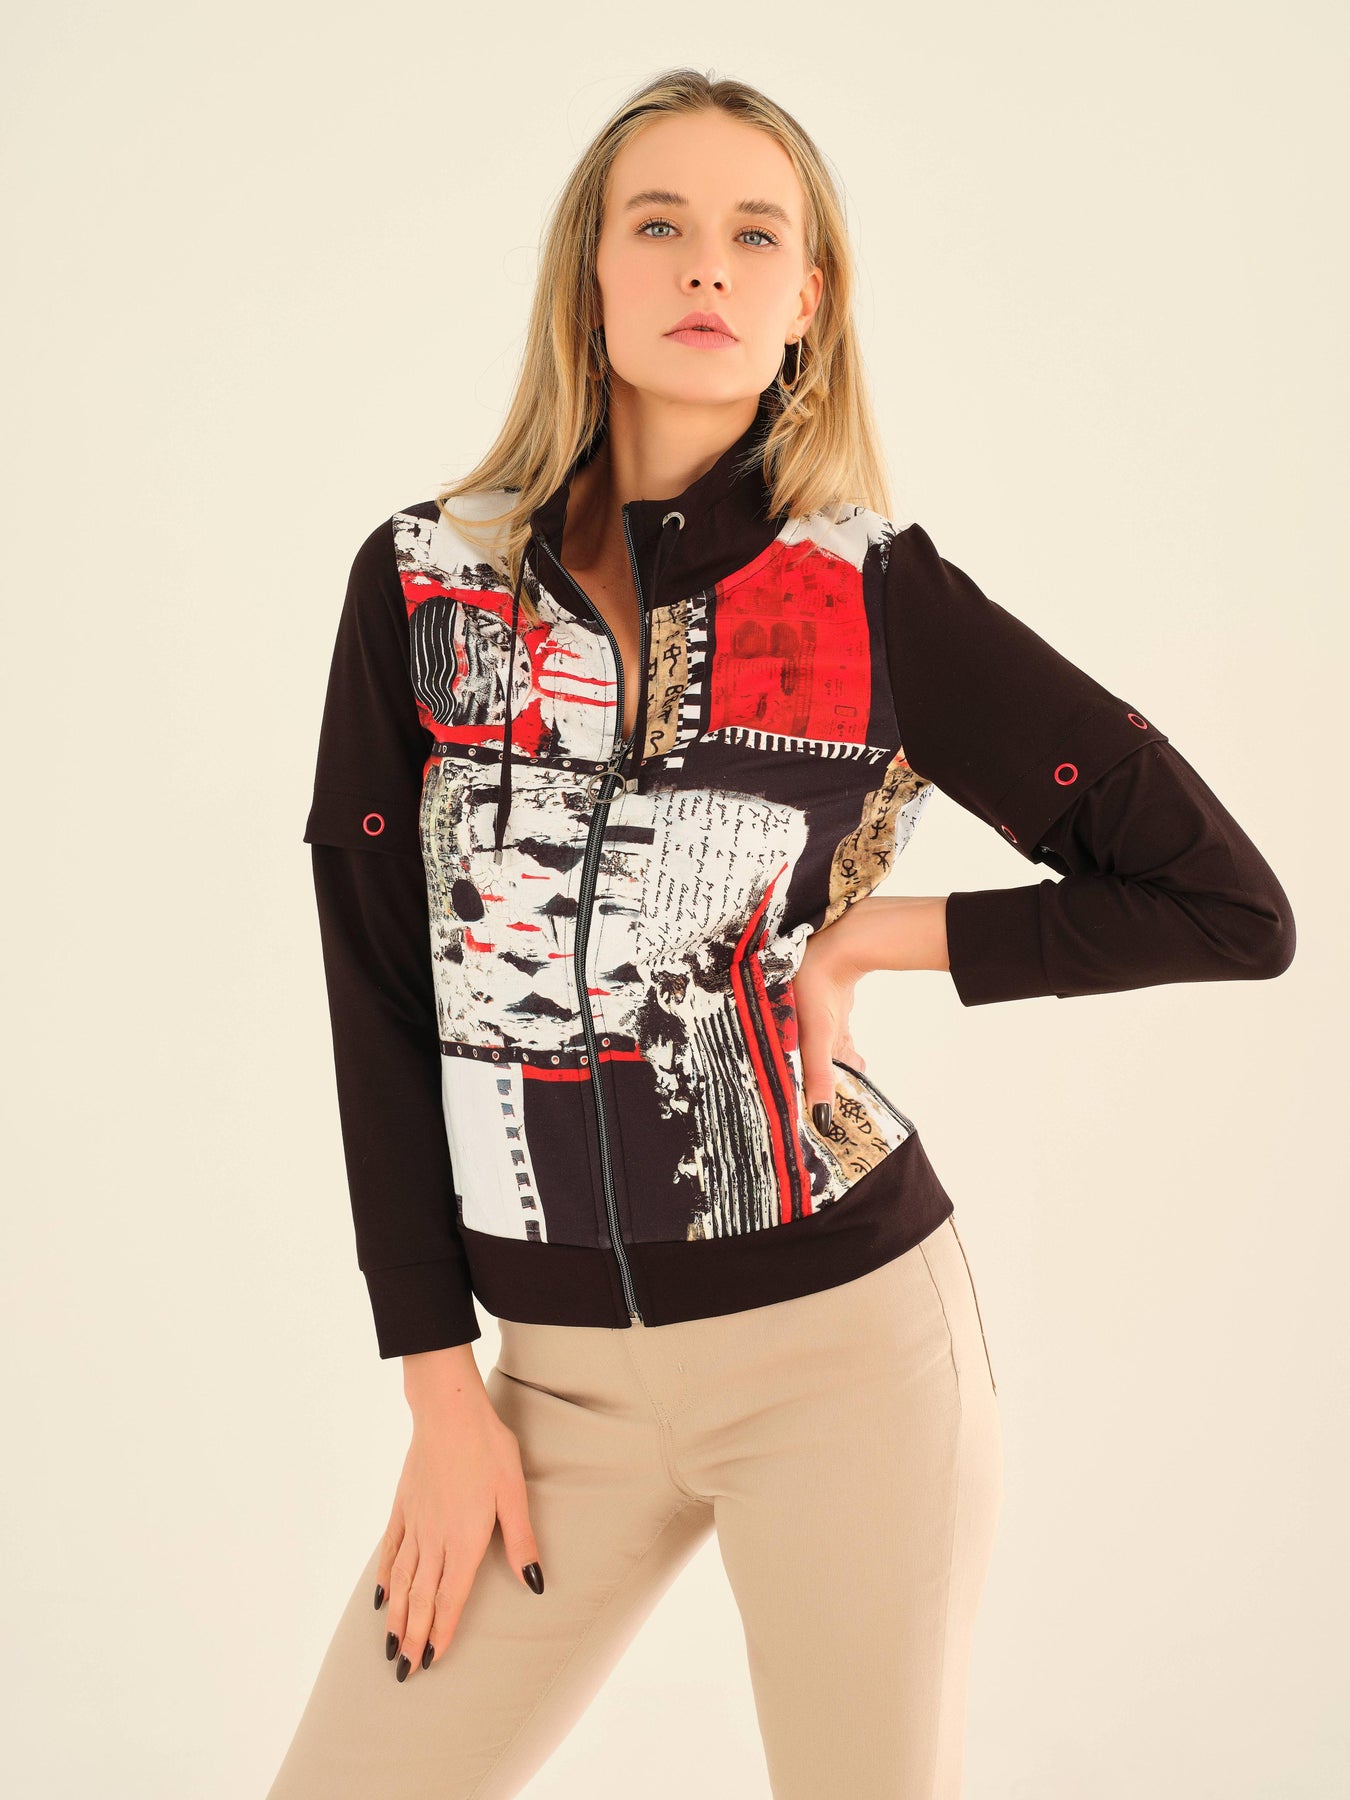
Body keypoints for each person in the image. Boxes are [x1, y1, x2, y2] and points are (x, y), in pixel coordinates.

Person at [266, 68, 1296, 1800]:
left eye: (756, 236)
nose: (706, 265)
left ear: (807, 301)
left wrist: (875, 938)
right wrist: (438, 1388)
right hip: (544, 1392)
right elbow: (375, 982)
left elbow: (1226, 904)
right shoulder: (426, 583)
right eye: (658, 223)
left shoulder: (870, 595)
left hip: (845, 1346)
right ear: (588, 273)